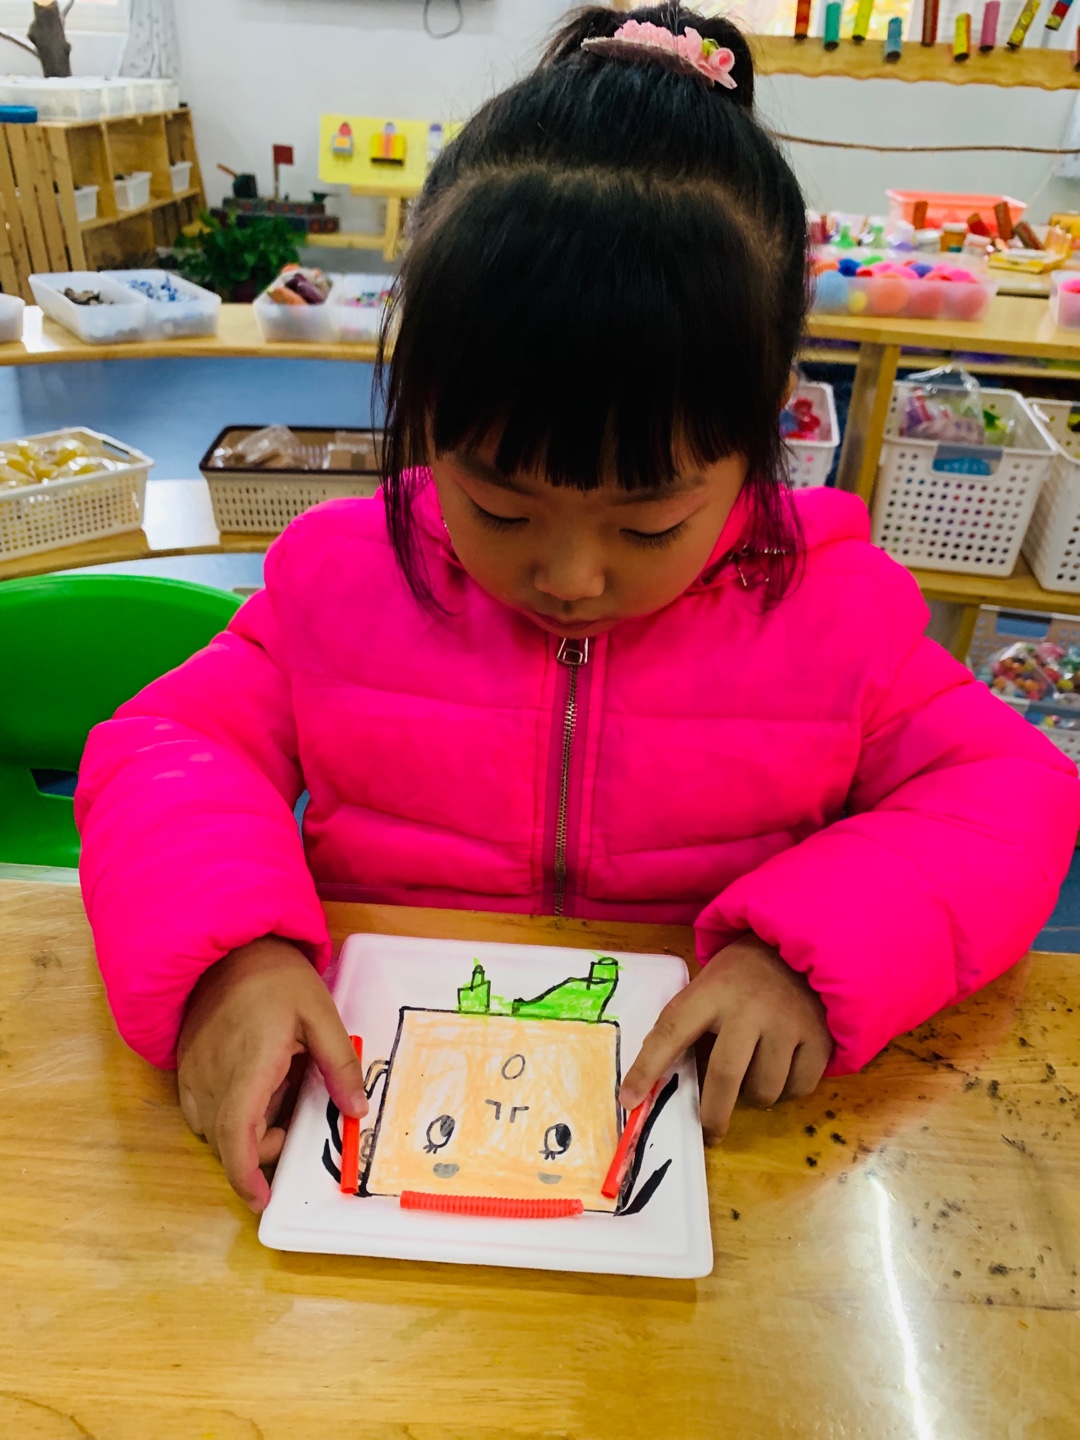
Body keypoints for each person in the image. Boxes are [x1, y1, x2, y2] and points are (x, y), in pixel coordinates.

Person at [77, 5, 1079, 1213]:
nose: (571, 577)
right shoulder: (339, 580)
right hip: (380, 1129)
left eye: (648, 524)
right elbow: (163, 747)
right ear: (425, 412)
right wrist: (232, 961)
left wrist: (812, 954)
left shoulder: (832, 610)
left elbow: (1013, 793)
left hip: (712, 1155)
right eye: (499, 507)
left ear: (766, 426)